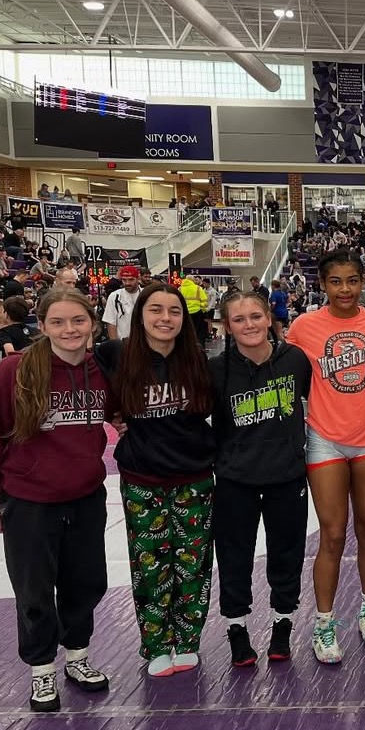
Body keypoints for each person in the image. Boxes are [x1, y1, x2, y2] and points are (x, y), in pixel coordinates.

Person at [0, 289, 111, 711]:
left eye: (78, 321)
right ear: (43, 325)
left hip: (86, 497)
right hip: (29, 500)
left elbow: (121, 411)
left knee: (85, 582)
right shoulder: (15, 371)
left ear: (92, 323)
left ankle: (78, 657)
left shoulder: (101, 369)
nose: (70, 330)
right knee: (33, 590)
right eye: (58, 322)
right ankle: (42, 669)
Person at [97, 283, 217, 678]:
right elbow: (84, 379)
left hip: (194, 478)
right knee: (151, 567)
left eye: (174, 311)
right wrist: (113, 416)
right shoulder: (116, 354)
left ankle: (187, 640)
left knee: (193, 565)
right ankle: (156, 644)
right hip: (142, 478)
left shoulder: (197, 359)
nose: (165, 318)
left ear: (184, 318)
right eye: (156, 310)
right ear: (140, 315)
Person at [286, 250, 365, 663]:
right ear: (322, 284)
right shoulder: (304, 327)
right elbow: (282, 370)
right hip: (325, 440)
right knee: (333, 534)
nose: (345, 289)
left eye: (352, 280)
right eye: (336, 281)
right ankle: (324, 623)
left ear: (363, 281)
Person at [208, 292, 312, 666]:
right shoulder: (215, 370)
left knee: (288, 554)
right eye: (239, 319)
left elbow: (328, 402)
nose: (249, 324)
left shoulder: (296, 360)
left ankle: (283, 623)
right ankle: (237, 628)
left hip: (287, 475)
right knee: (234, 556)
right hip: (235, 479)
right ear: (227, 326)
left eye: (255, 316)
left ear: (269, 318)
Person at [103, 265, 143, 341]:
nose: (127, 283)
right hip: (123, 342)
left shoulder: (146, 295)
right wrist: (115, 345)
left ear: (138, 279)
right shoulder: (114, 296)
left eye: (131, 280)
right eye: (124, 280)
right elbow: (111, 323)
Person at [179, 269, 210, 346]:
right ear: (192, 280)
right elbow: (204, 301)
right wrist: (203, 310)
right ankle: (198, 347)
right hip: (197, 313)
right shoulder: (198, 288)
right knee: (198, 332)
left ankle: (186, 346)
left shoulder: (180, 289)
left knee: (186, 331)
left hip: (185, 313)